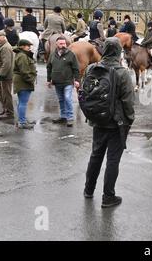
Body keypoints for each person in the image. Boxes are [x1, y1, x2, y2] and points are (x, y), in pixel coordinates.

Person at [84, 37, 135, 208]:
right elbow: (128, 101)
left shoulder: (92, 68)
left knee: (95, 155)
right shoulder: (123, 73)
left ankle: (88, 190)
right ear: (119, 51)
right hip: (116, 122)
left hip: (97, 119)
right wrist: (129, 120)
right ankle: (108, 196)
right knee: (112, 160)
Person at [46, 36, 80, 127]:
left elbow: (76, 69)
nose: (63, 45)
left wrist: (77, 80)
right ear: (56, 44)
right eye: (61, 44)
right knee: (61, 100)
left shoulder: (71, 54)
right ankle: (63, 116)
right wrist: (48, 80)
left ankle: (70, 118)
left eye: (64, 43)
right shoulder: (52, 54)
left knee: (67, 98)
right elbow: (49, 67)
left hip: (68, 82)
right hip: (57, 82)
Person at [13, 39, 37, 129]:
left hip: (21, 81)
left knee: (21, 102)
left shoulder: (21, 54)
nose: (29, 47)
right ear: (22, 46)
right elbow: (24, 71)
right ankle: (22, 122)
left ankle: (21, 120)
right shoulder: (22, 56)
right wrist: (31, 80)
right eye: (28, 46)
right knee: (23, 103)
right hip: (23, 81)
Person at [0, 30, 15, 120]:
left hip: (5, 75)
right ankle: (5, 109)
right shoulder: (1, 46)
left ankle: (9, 113)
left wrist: (1, 74)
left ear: (4, 36)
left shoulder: (5, 47)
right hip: (2, 74)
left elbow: (6, 63)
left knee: (6, 94)